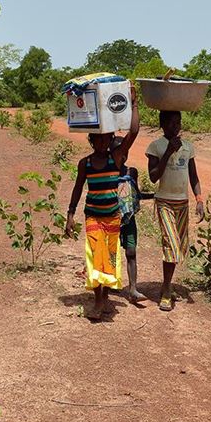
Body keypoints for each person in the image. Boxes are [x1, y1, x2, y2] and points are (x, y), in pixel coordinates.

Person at [66, 86, 139, 320]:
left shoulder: (115, 158)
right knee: (95, 256)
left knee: (109, 258)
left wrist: (134, 104)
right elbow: (78, 188)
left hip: (113, 217)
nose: (101, 141)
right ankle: (98, 302)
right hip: (94, 217)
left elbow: (133, 133)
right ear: (91, 139)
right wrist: (70, 215)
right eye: (97, 138)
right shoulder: (84, 163)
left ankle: (105, 296)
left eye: (105, 138)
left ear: (109, 139)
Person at [145, 111, 204, 312]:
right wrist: (169, 152)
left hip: (182, 203)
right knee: (170, 244)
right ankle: (167, 290)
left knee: (178, 247)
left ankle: (165, 284)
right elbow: (153, 177)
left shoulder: (188, 147)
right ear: (162, 124)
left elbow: (193, 176)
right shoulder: (156, 147)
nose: (176, 126)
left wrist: (199, 199)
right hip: (164, 202)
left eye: (178, 122)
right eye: (171, 122)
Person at [111, 136, 154, 304]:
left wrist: (154, 196)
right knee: (110, 254)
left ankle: (133, 288)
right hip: (111, 219)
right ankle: (108, 285)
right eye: (118, 152)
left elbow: (137, 195)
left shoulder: (131, 172)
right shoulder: (108, 173)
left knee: (131, 252)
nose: (122, 156)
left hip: (129, 220)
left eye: (125, 152)